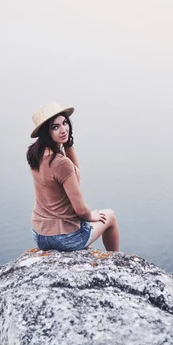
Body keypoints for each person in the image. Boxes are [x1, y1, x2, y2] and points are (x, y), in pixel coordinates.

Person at [26, 101, 120, 252]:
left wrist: (67, 145)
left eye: (65, 123)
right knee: (110, 216)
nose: (63, 130)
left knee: (84, 222)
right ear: (46, 132)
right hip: (64, 239)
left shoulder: (34, 154)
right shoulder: (61, 163)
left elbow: (72, 177)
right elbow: (81, 210)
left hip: (40, 236)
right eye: (55, 127)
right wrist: (91, 216)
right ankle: (115, 261)